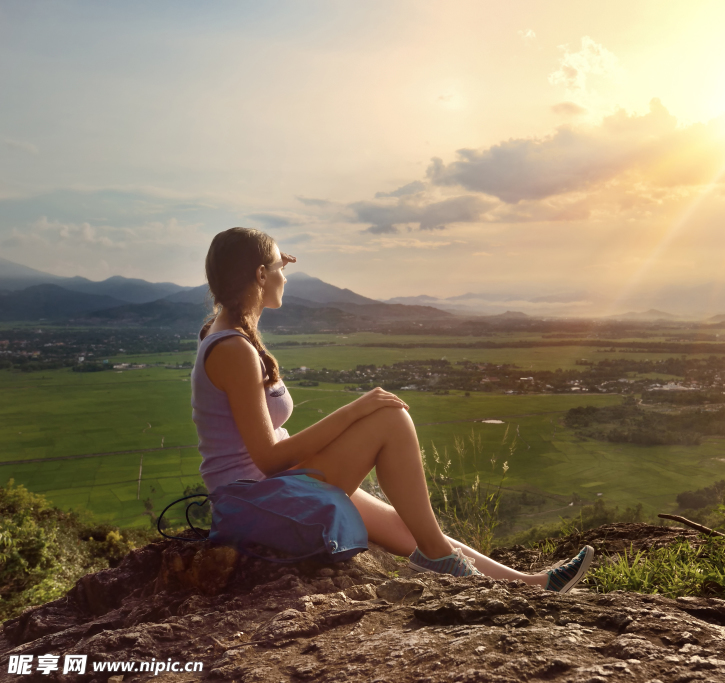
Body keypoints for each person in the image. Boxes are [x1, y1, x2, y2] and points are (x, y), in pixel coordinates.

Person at [191, 227, 592, 592]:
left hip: (265, 489)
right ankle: (441, 562)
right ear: (261, 275)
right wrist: (355, 410)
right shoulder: (233, 349)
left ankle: (530, 584)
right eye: (282, 265)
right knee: (389, 418)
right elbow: (268, 459)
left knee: (410, 524)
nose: (286, 274)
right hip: (256, 499)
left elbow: (261, 451)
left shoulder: (224, 332)